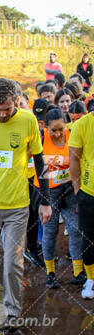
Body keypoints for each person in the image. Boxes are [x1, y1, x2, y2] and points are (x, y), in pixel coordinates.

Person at [0, 78, 51, 326]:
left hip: (17, 206)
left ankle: (13, 313)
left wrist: (45, 200)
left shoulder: (28, 120)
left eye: (7, 109)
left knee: (13, 261)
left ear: (16, 100)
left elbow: (39, 161)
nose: (2, 115)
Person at [33, 108, 84, 288]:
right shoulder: (40, 138)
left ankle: (78, 271)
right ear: (45, 127)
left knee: (75, 228)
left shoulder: (72, 135)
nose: (57, 133)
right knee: (50, 231)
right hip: (48, 192)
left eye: (61, 129)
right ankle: (51, 273)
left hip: (69, 188)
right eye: (53, 130)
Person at [69, 109, 94, 299]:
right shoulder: (81, 125)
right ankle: (91, 280)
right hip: (89, 192)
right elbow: (74, 159)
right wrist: (78, 189)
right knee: (89, 237)